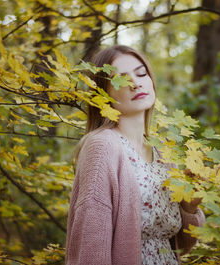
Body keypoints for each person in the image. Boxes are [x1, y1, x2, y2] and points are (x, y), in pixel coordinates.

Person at [65, 45, 205, 265]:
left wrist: (189, 207)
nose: (136, 83)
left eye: (141, 73)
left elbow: (182, 245)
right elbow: (91, 247)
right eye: (120, 79)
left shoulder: (163, 154)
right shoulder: (102, 147)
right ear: (104, 93)